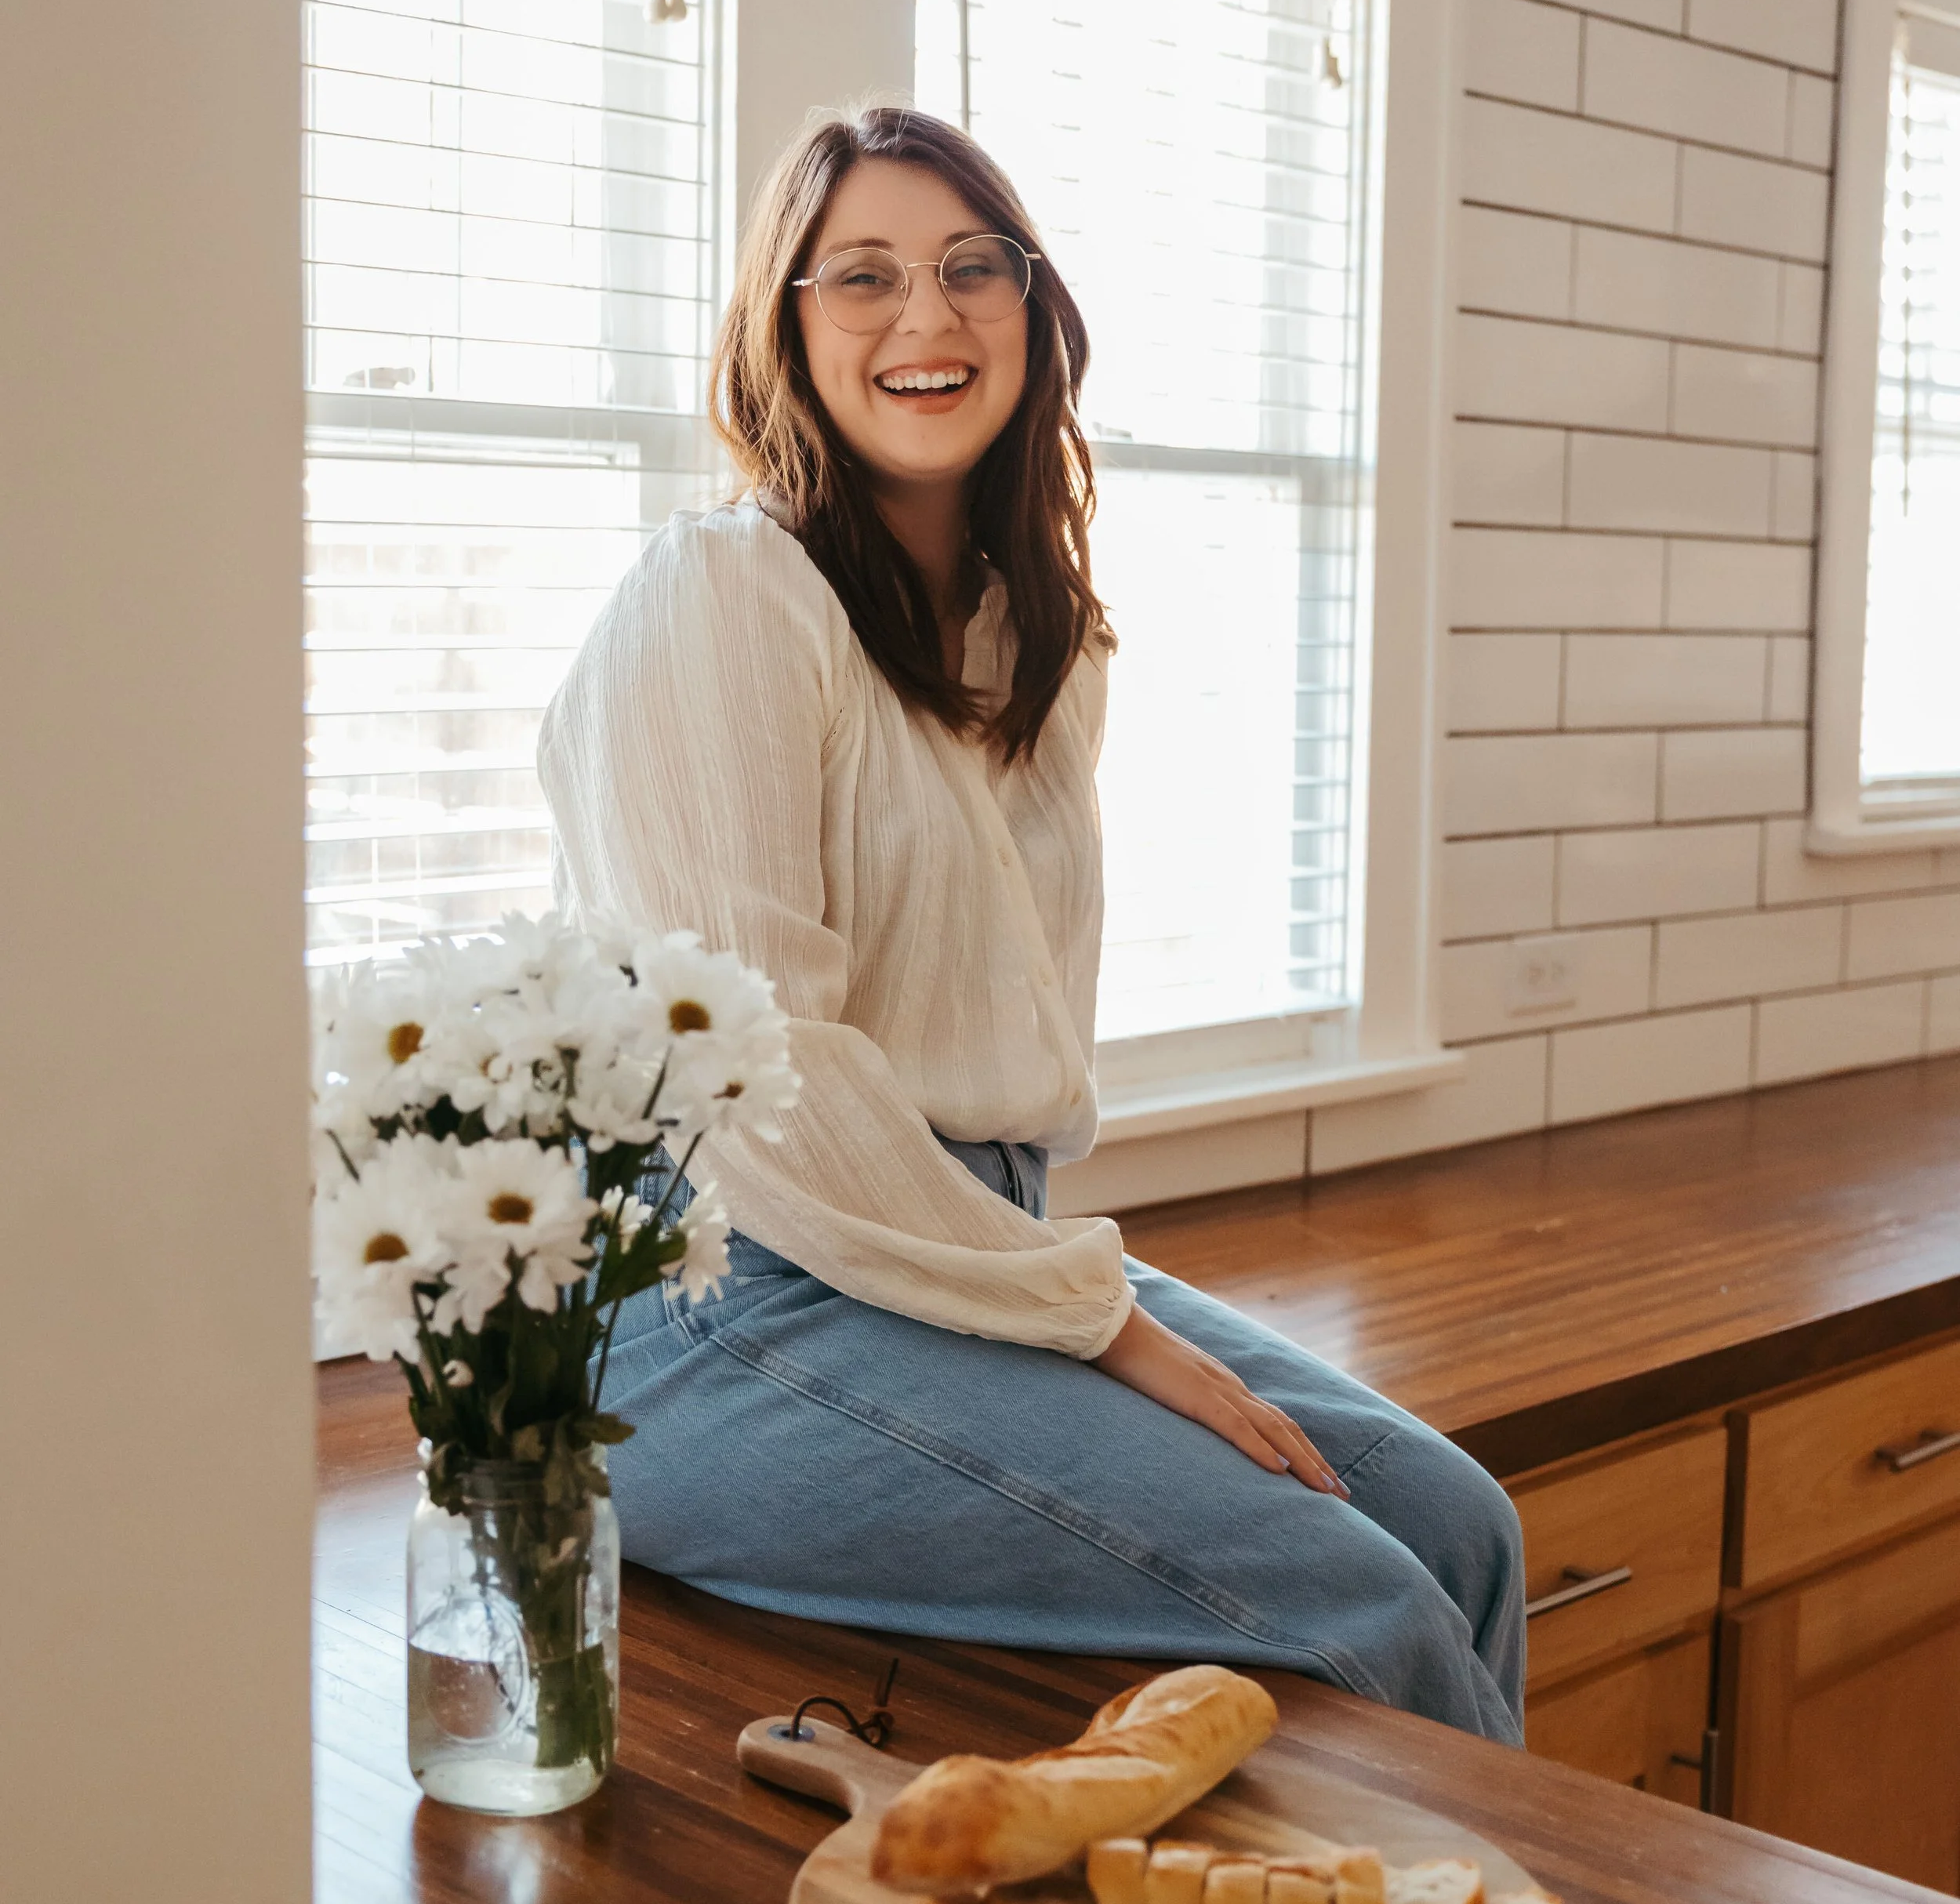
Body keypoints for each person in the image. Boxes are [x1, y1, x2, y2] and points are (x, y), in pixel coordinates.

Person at [539, 103, 1524, 1742]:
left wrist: (1056, 1288)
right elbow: (751, 1087)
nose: (923, 321)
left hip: (955, 1241)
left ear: (1030, 311)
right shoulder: (719, 597)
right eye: (856, 277)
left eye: (967, 269)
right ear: (780, 330)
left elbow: (993, 1045)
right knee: (1348, 1602)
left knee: (1455, 1525)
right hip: (718, 1295)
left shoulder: (1029, 636)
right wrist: (1098, 1323)